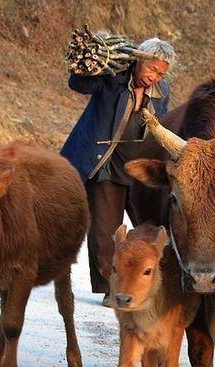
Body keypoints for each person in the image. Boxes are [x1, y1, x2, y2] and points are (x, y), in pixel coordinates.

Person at [61, 38, 175, 307]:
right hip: (106, 164)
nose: (155, 77)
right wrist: (86, 65)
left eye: (161, 74)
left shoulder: (162, 90)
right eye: (152, 70)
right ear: (140, 60)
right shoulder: (113, 77)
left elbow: (162, 125)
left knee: (152, 226)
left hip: (138, 166)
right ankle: (111, 288)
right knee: (106, 232)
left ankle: (154, 284)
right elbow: (78, 84)